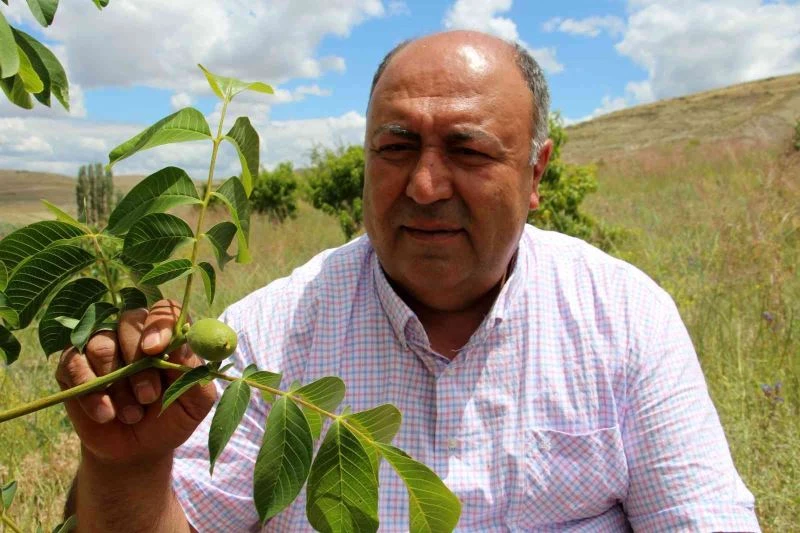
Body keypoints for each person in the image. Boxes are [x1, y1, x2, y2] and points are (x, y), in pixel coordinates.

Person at [57, 30, 760, 532]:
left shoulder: (625, 316)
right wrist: (126, 470)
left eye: (467, 150)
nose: (424, 186)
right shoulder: (270, 332)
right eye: (396, 147)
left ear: (536, 173)